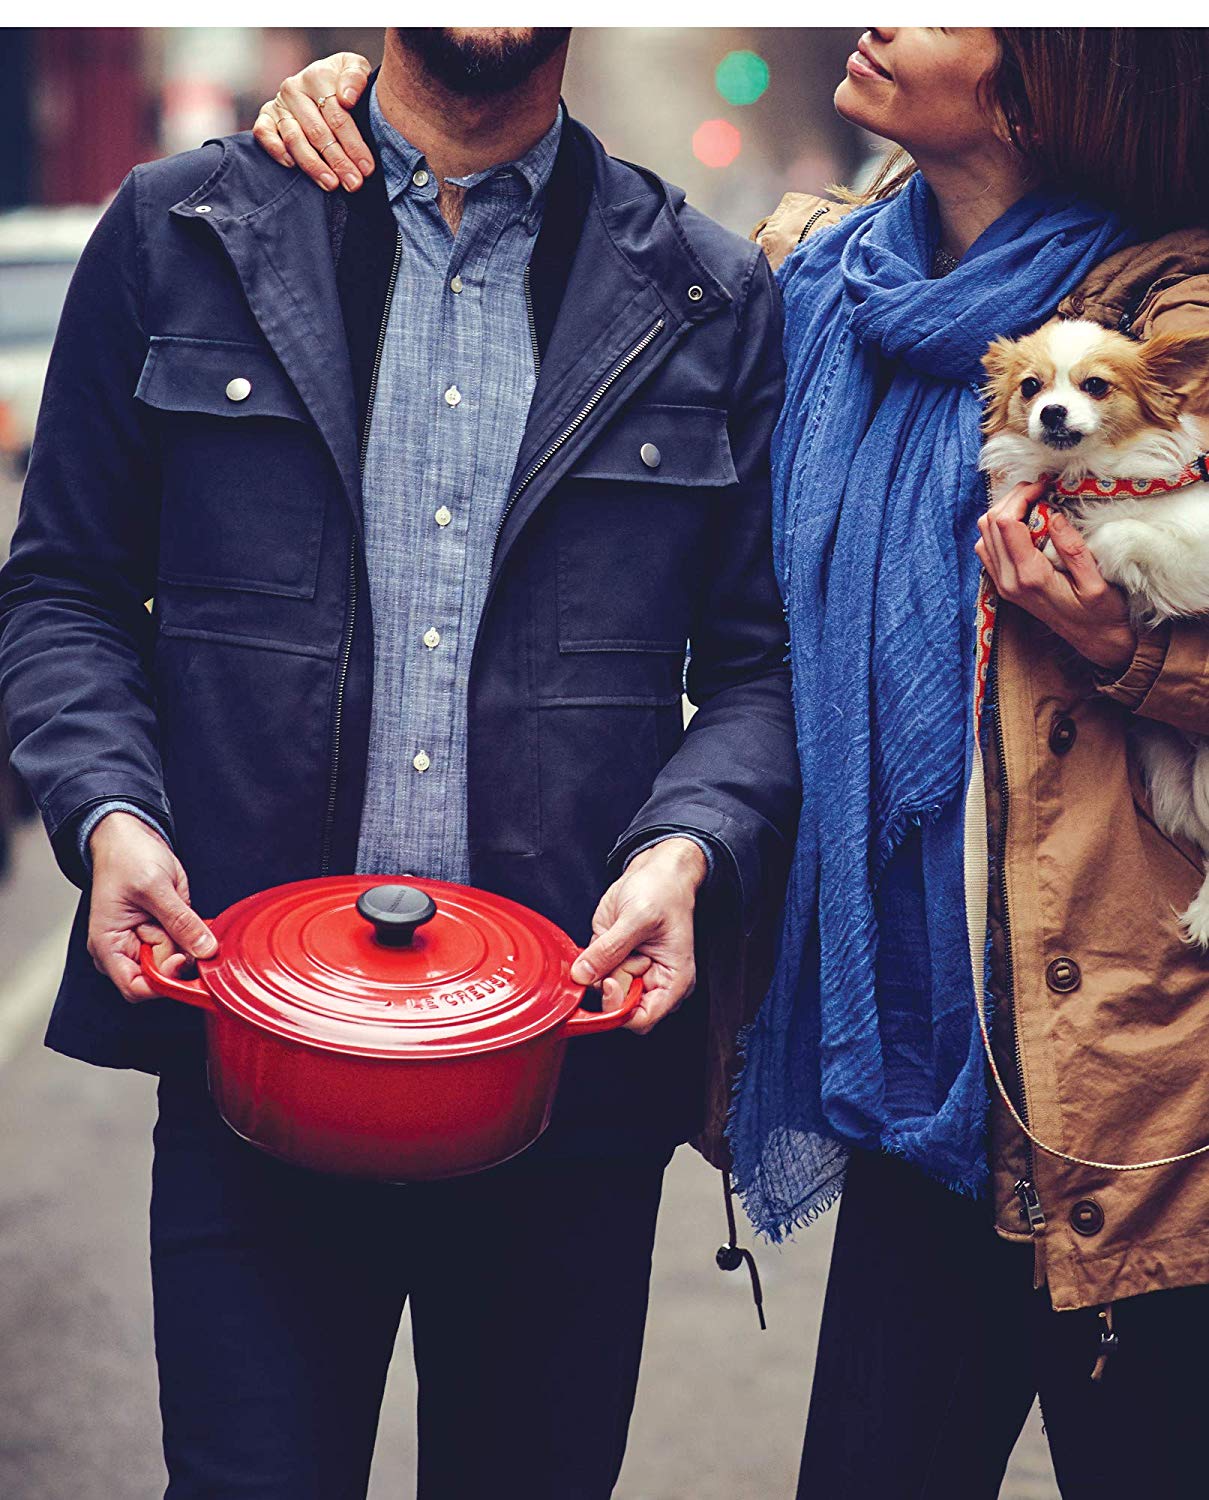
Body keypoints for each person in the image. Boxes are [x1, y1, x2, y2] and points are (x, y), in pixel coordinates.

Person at [0, 27, 798, 1498]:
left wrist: (685, 847)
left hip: (563, 1081)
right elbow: (64, 589)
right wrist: (110, 810)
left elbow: (763, 667)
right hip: (258, 1071)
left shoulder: (706, 289)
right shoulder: (186, 231)